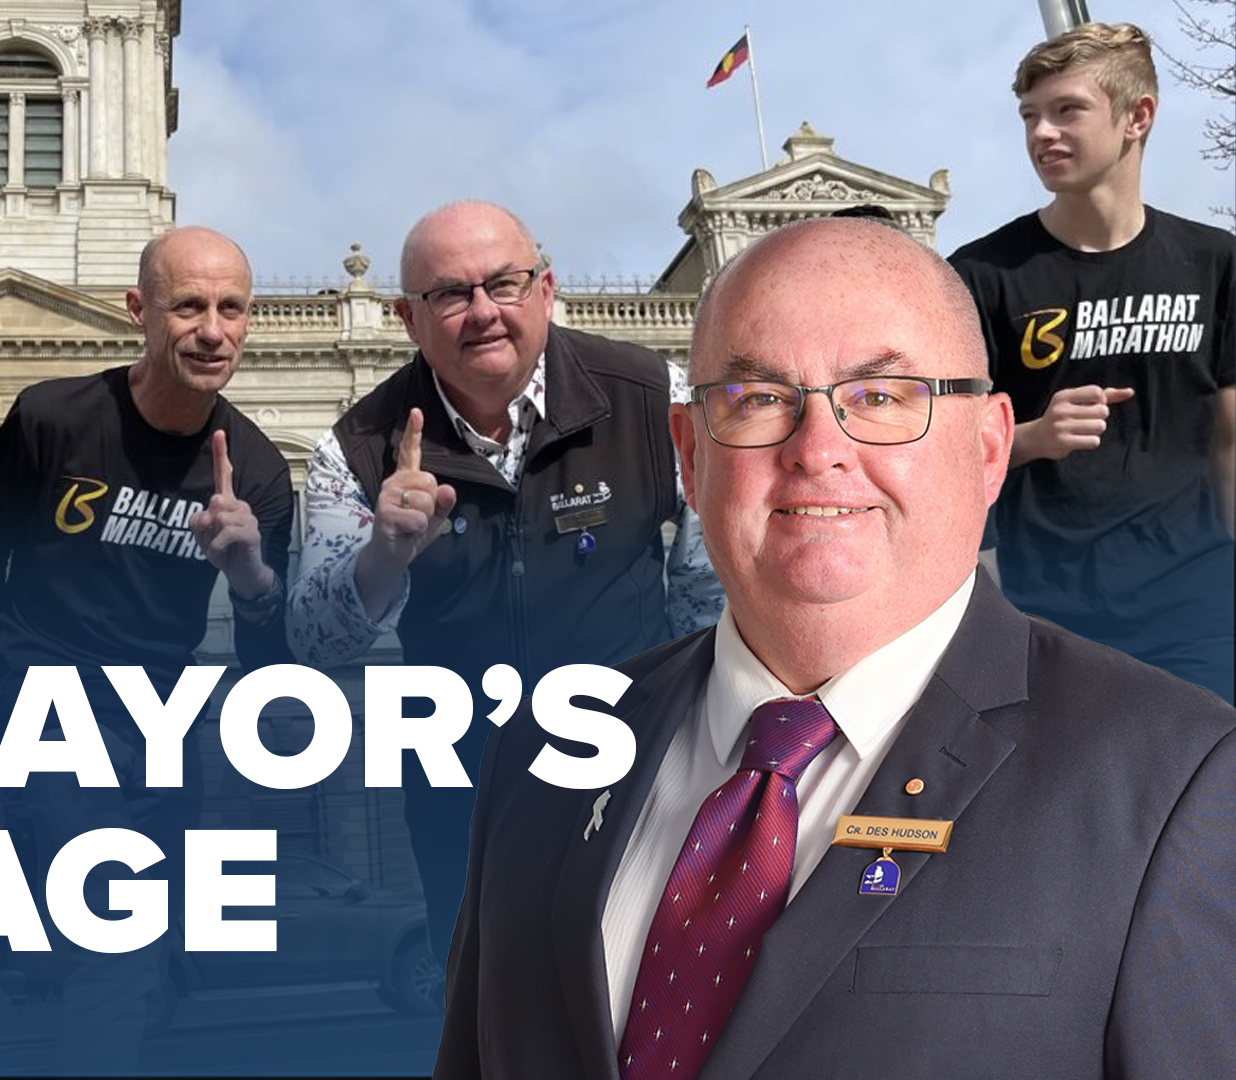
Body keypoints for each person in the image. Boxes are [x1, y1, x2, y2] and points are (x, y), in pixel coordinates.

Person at [436, 216, 1235, 1079]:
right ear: (689, 455)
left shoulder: (1176, 781)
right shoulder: (540, 755)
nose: (818, 452)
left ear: (991, 446)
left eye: (883, 398)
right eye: (758, 400)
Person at [289, 200, 721, 966]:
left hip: (634, 779)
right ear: (408, 319)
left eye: (506, 283)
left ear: (546, 289)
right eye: (450, 294)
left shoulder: (658, 398)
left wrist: (693, 738)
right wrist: (383, 555)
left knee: (649, 998)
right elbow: (315, 642)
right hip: (465, 801)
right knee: (487, 1026)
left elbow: (708, 586)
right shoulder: (354, 448)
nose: (483, 312)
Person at [0, 224, 292, 1070]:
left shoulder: (256, 470)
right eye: (188, 306)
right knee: (115, 929)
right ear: (138, 310)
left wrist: (252, 574)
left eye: (231, 309)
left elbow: (271, 660)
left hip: (161, 717)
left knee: (148, 951)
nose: (212, 330)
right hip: (45, 692)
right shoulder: (53, 417)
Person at [950, 22, 1234, 703]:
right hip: (1048, 618)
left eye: (1067, 110)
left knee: (1210, 806)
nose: (1041, 134)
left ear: (1138, 117)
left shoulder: (1215, 262)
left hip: (1199, 612)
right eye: (1029, 116)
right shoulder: (981, 276)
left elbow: (1231, 439)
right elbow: (946, 449)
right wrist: (1030, 437)